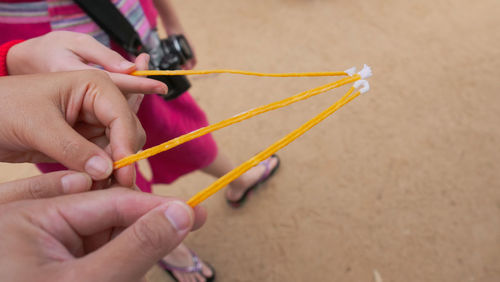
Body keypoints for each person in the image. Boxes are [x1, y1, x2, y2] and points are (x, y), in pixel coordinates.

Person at [0, 1, 280, 280]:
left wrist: (171, 21)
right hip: (42, 93)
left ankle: (236, 177)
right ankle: (170, 250)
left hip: (131, 47)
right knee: (106, 179)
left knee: (182, 133)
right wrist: (11, 62)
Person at [0, 70, 206, 281]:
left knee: (162, 139)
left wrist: (12, 63)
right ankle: (168, 249)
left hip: (82, 88)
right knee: (116, 197)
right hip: (63, 103)